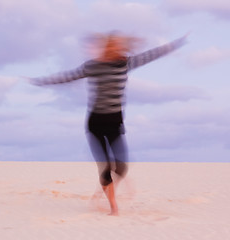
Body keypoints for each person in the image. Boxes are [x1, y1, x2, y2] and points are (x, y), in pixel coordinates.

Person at [29, 32, 187, 215]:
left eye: (118, 46)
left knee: (121, 167)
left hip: (115, 121)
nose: (115, 49)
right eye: (111, 46)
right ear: (107, 48)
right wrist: (42, 81)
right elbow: (69, 76)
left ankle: (101, 192)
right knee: (105, 168)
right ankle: (113, 207)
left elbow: (151, 55)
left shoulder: (125, 63)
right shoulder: (93, 66)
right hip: (95, 121)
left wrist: (173, 45)